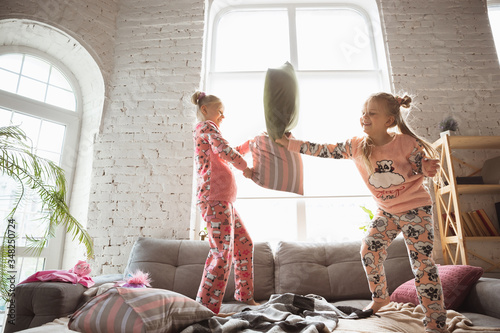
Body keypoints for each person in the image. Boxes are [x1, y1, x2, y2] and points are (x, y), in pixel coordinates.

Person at [276, 92, 448, 333]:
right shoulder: (356, 145)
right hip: (386, 211)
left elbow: (422, 165)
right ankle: (380, 298)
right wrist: (290, 143)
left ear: (389, 121)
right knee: (369, 250)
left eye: (372, 113)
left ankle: (435, 322)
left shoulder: (406, 143)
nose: (365, 117)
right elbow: (324, 149)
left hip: (415, 208)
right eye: (363, 112)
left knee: (423, 265)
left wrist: (428, 167)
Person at [191, 91, 259, 316]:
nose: (222, 116)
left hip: (223, 201)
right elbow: (225, 151)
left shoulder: (212, 133)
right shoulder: (206, 127)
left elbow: (228, 152)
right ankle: (205, 309)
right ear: (205, 110)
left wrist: (252, 144)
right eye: (220, 111)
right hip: (214, 200)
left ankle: (244, 295)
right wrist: (246, 169)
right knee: (222, 252)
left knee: (244, 243)